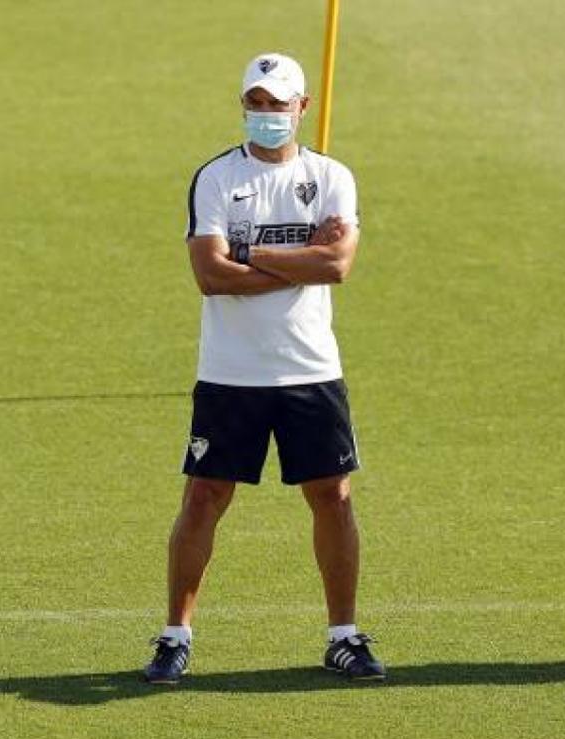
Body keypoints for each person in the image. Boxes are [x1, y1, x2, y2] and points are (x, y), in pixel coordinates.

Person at [143, 52, 385, 684]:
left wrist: (250, 255)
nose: (266, 115)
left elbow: (338, 268)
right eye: (256, 104)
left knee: (332, 498)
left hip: (310, 368)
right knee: (203, 497)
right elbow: (208, 274)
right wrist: (300, 254)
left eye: (278, 105)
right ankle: (174, 637)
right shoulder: (217, 178)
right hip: (232, 371)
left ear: (301, 108)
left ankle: (343, 635)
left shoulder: (333, 178)